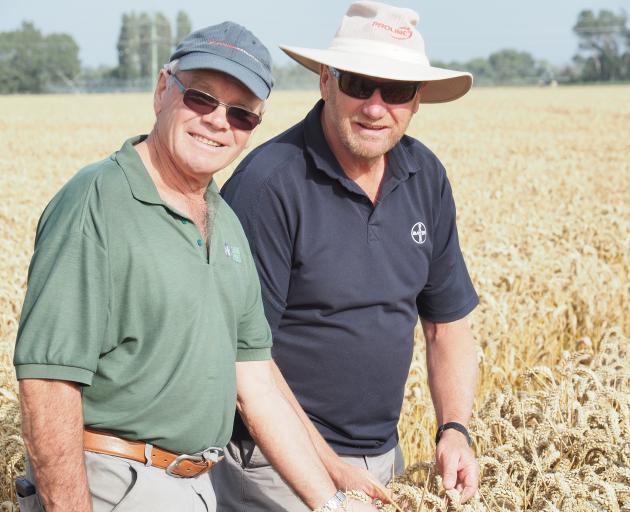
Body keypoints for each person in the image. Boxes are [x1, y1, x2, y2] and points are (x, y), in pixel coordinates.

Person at [13, 22, 378, 512]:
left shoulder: (224, 220)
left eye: (242, 114)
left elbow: (255, 385)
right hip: (114, 484)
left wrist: (331, 503)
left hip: (197, 486)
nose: (218, 121)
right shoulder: (96, 201)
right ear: (163, 90)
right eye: (202, 98)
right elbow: (49, 384)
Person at [213, 1, 481, 510]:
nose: (375, 107)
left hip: (385, 457)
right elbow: (246, 360)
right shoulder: (269, 185)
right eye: (359, 84)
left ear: (417, 99)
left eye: (396, 90)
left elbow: (447, 326)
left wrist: (454, 430)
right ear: (326, 82)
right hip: (274, 460)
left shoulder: (426, 177)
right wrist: (328, 467)